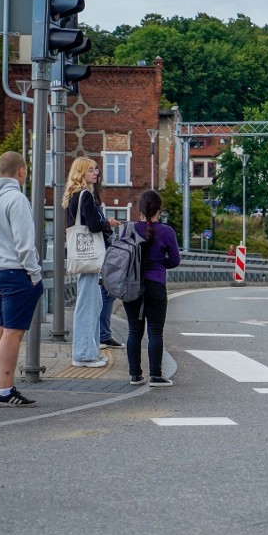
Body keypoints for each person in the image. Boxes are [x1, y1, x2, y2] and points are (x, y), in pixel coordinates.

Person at [0, 151, 44, 406]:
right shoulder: (16, 199)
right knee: (12, 333)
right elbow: (24, 244)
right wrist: (35, 274)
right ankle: (5, 391)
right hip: (15, 273)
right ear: (21, 171)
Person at [63, 158, 119, 367]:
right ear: (81, 173)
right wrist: (108, 223)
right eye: (91, 170)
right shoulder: (85, 195)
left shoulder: (74, 195)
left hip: (84, 258)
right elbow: (94, 225)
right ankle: (84, 355)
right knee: (88, 305)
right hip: (89, 259)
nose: (96, 172)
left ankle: (89, 351)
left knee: (91, 303)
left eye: (96, 169)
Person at [122, 190, 181, 386]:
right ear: (159, 209)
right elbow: (174, 260)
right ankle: (155, 375)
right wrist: (160, 263)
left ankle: (135, 375)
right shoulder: (166, 231)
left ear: (140, 208)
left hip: (131, 286)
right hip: (155, 285)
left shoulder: (128, 229)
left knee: (133, 331)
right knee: (155, 332)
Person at [93, 174, 122, 349]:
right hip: (96, 255)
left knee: (105, 294)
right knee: (106, 293)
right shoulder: (88, 199)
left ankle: (103, 334)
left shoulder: (89, 199)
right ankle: (102, 335)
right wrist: (107, 224)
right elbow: (93, 226)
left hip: (98, 254)